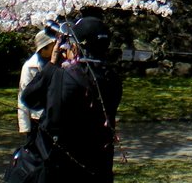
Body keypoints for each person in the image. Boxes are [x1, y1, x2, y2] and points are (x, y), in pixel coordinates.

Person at [21, 16, 123, 182]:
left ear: (77, 45)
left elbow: (31, 99)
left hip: (64, 166)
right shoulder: (113, 78)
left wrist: (52, 66)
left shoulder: (64, 76)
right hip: (99, 164)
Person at [17, 29, 56, 135]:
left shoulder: (59, 61)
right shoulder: (30, 66)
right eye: (53, 44)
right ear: (44, 47)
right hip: (37, 117)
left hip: (55, 116)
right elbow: (23, 97)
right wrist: (25, 127)